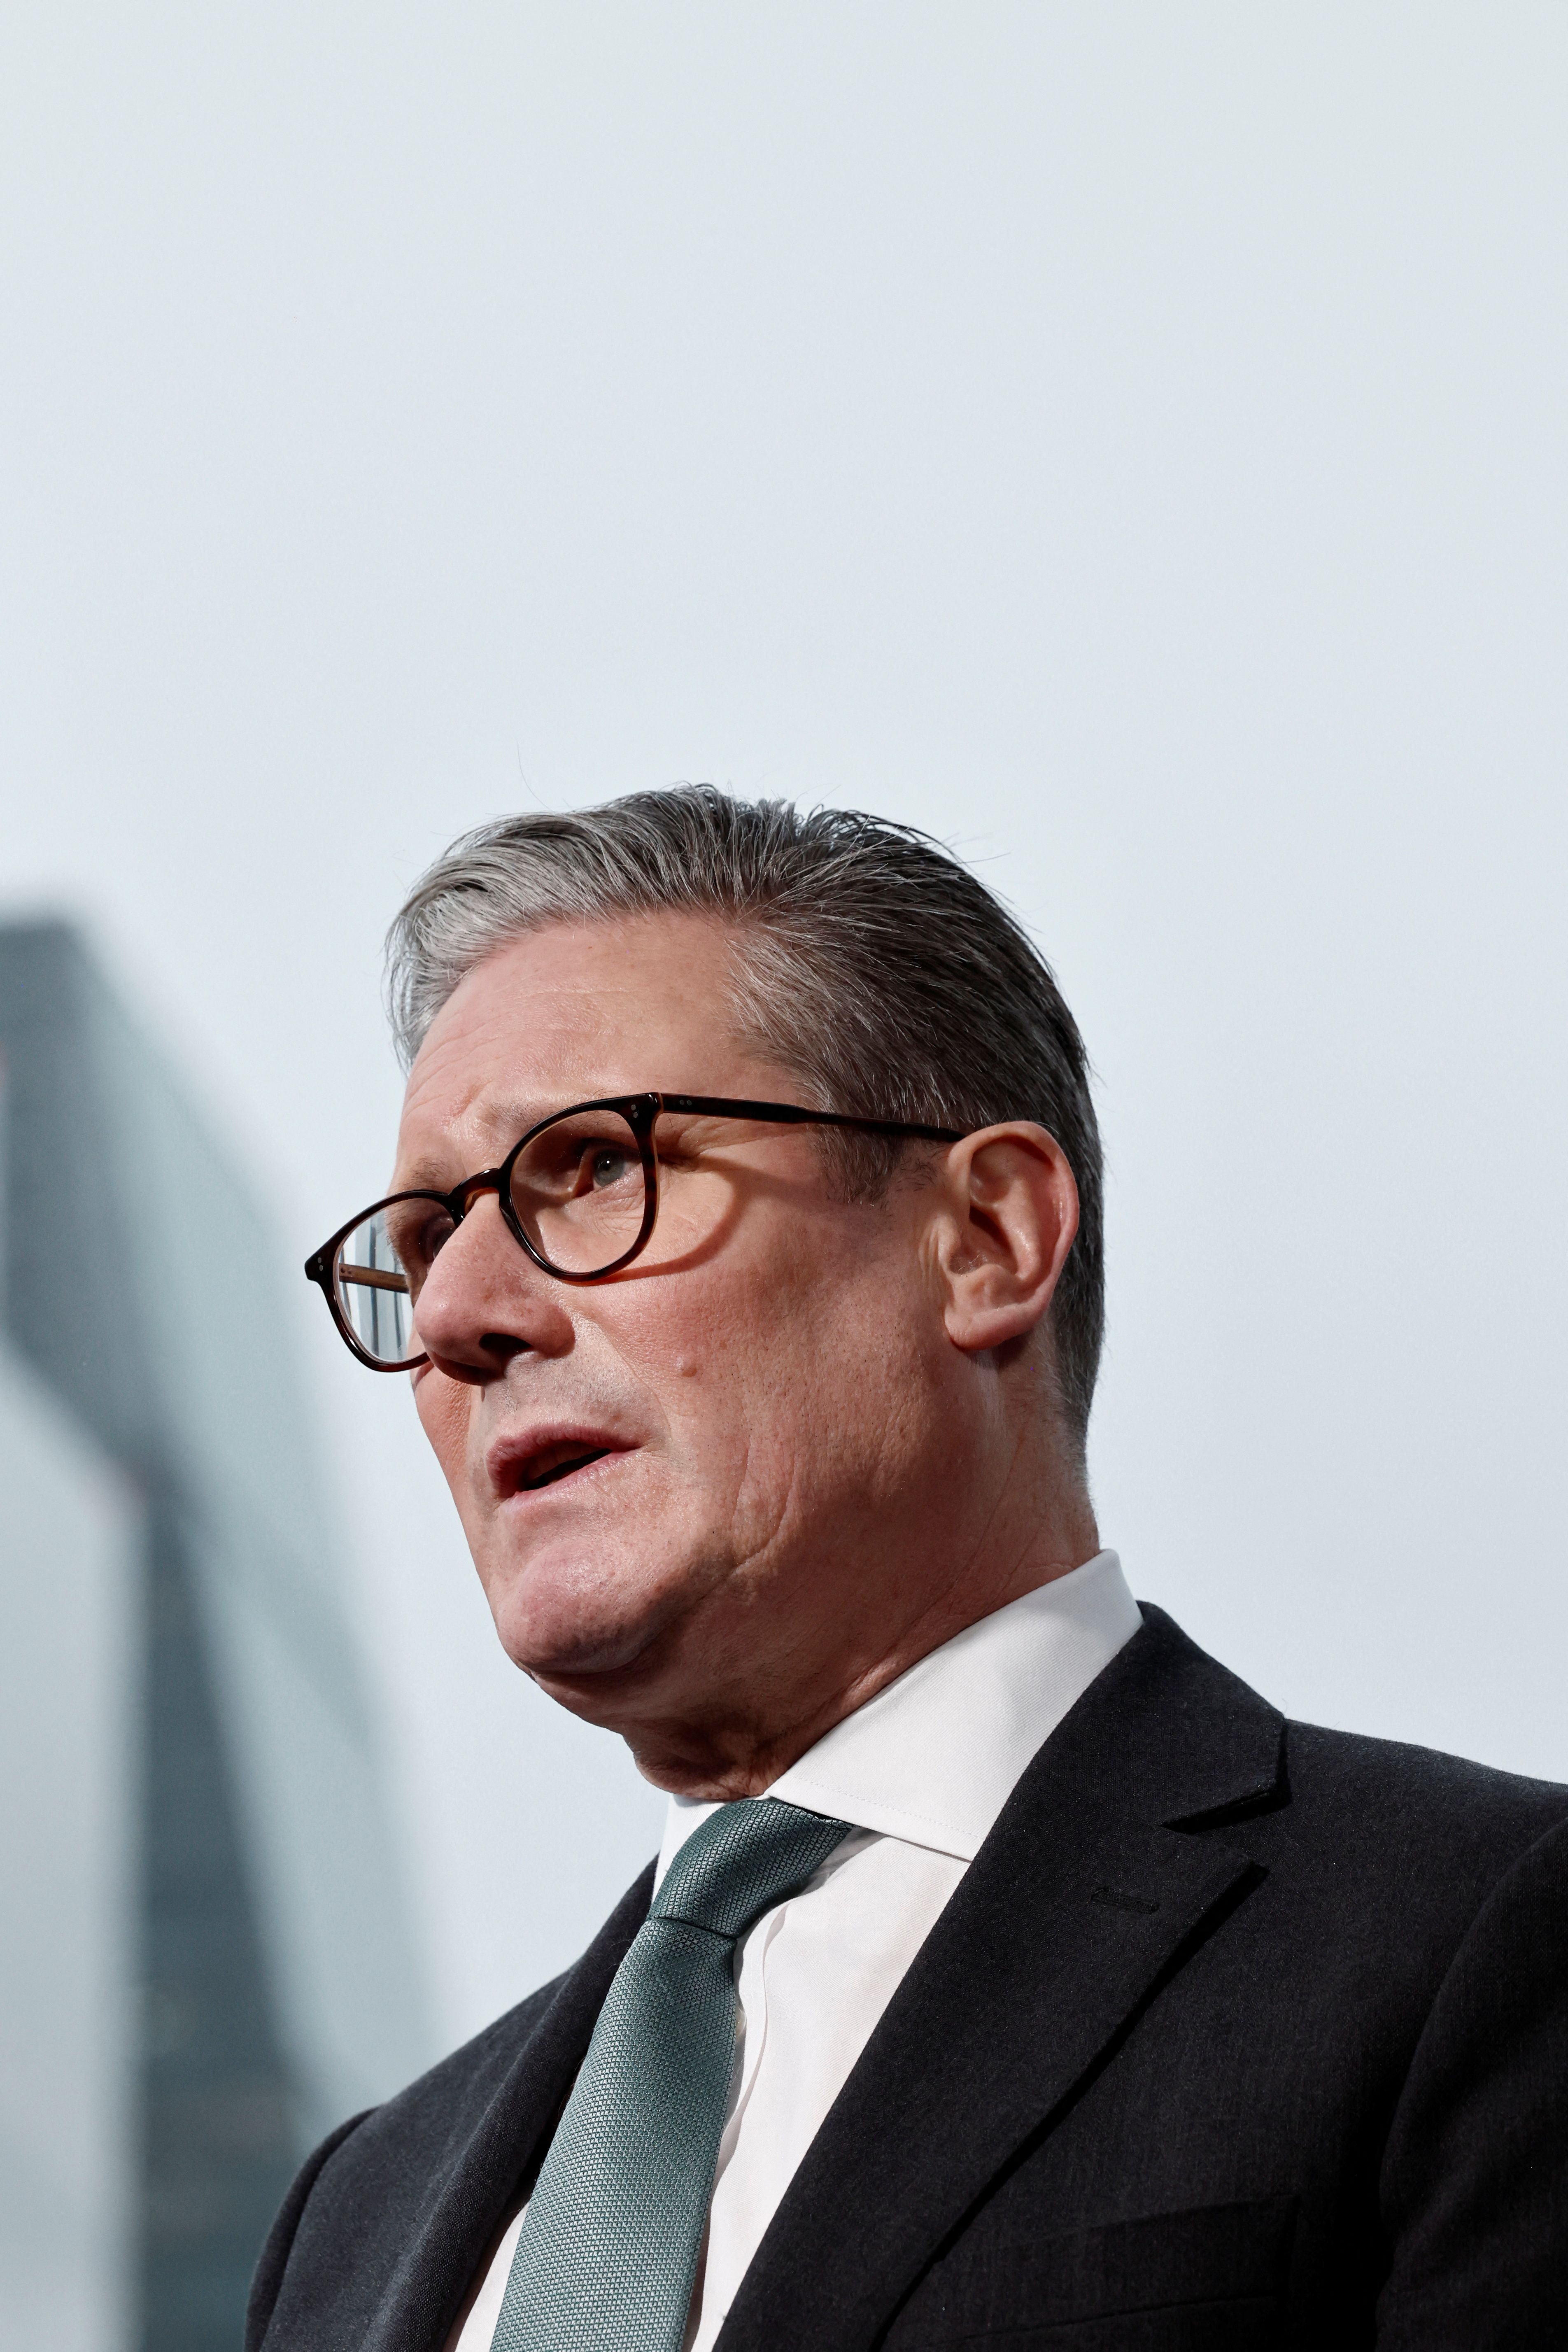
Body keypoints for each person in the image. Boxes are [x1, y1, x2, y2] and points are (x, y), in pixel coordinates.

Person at [255, 788, 1567, 2351]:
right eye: (416, 1242)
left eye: (593, 1168)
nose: (464, 1309)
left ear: (987, 1237)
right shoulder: (359, 2207)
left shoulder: (1473, 1941)